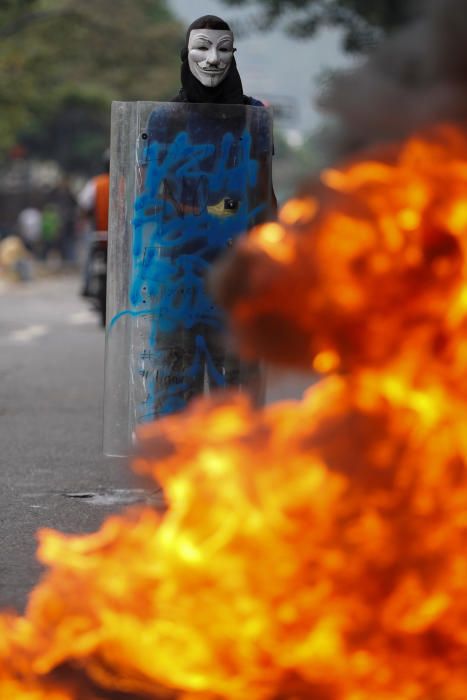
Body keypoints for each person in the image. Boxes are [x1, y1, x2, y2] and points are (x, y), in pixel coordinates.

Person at [134, 15, 276, 420]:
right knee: (176, 382)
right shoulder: (165, 118)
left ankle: (237, 473)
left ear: (233, 55)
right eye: (202, 47)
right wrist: (212, 214)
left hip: (238, 275)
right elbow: (152, 198)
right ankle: (177, 474)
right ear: (186, 54)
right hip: (180, 274)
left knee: (239, 384)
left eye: (223, 48)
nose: (212, 59)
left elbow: (264, 196)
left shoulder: (254, 118)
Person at [77, 151, 110, 296]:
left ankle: (86, 285)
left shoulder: (95, 183)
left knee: (88, 259)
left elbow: (83, 206)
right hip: (118, 237)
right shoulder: (124, 181)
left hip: (97, 234)